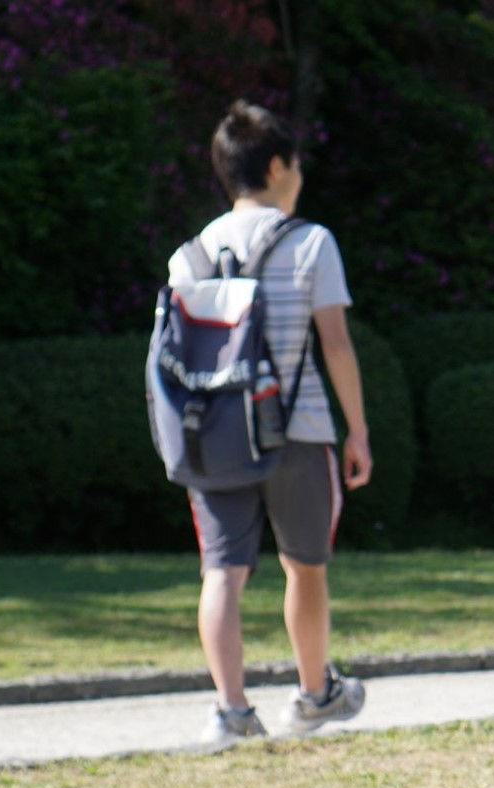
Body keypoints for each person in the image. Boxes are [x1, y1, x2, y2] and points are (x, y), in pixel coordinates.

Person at [173, 102, 372, 749]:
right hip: (298, 428)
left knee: (222, 570)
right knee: (303, 565)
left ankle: (231, 712)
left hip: (214, 434)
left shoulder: (192, 252)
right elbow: (335, 344)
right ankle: (315, 695)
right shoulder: (310, 242)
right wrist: (358, 431)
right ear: (278, 165)